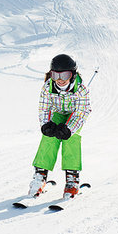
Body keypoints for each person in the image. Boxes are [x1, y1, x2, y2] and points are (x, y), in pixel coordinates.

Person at [29, 54, 91, 199]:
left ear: (72, 74)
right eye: (55, 75)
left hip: (74, 115)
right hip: (57, 113)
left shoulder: (81, 90)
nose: (60, 80)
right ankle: (40, 176)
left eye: (64, 75)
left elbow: (82, 112)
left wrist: (69, 129)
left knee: (71, 139)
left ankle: (72, 179)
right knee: (49, 137)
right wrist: (46, 125)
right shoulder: (48, 87)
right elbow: (44, 108)